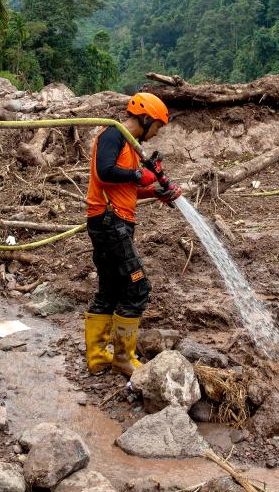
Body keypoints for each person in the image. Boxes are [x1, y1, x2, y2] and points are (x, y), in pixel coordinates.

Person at [83, 93, 181, 376]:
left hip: (110, 222)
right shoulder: (114, 134)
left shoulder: (125, 143)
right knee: (138, 288)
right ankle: (124, 358)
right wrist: (139, 175)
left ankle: (98, 358)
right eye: (158, 127)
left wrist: (154, 190)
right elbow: (105, 172)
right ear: (147, 118)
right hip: (110, 222)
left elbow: (124, 186)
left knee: (110, 289)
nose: (156, 133)